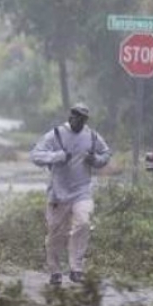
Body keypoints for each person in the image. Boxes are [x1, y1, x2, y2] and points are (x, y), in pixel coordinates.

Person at [30, 102, 111, 285]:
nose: (78, 120)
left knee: (83, 223)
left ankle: (76, 268)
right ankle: (55, 271)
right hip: (58, 194)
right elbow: (35, 155)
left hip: (82, 191)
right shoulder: (56, 134)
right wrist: (57, 156)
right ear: (70, 116)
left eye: (82, 118)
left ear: (85, 120)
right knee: (56, 233)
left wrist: (95, 160)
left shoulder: (92, 136)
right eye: (75, 116)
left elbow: (106, 154)